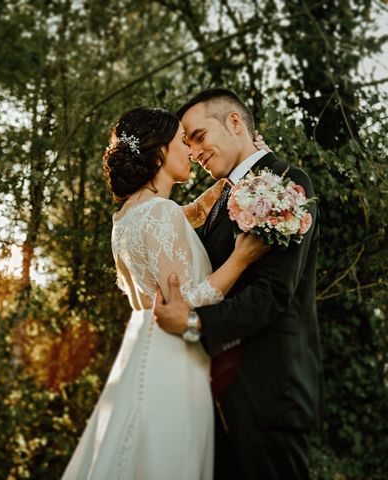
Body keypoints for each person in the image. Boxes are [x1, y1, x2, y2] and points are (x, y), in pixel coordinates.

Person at [62, 107, 270, 479]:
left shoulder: (126, 217)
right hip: (175, 360)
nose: (190, 151)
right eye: (180, 142)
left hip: (141, 350)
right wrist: (240, 259)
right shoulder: (162, 214)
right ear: (159, 153)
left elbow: (180, 220)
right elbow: (185, 303)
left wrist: (226, 187)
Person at [153, 88, 323, 480]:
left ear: (234, 123)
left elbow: (272, 294)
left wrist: (193, 324)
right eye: (187, 144)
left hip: (267, 390)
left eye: (198, 137)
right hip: (217, 394)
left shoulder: (285, 182)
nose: (194, 152)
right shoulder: (222, 198)